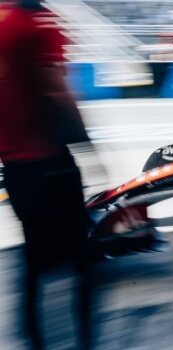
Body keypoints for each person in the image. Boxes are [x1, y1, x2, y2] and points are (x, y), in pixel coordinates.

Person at [0, 0, 97, 348]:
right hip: (51, 164)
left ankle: (34, 342)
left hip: (15, 167)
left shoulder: (3, 18)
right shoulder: (38, 21)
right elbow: (55, 88)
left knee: (32, 263)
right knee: (84, 262)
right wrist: (89, 148)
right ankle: (86, 341)